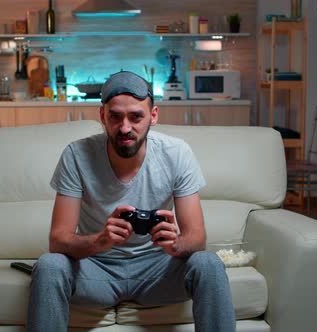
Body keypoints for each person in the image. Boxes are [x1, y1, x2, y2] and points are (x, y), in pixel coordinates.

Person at [27, 71, 235, 331]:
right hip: (97, 270)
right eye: (115, 117)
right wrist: (100, 240)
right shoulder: (76, 155)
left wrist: (175, 245)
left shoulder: (177, 153)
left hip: (158, 272)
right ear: (103, 116)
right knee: (49, 265)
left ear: (154, 116)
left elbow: (197, 239)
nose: (125, 128)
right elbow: (58, 240)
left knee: (209, 263)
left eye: (136, 116)